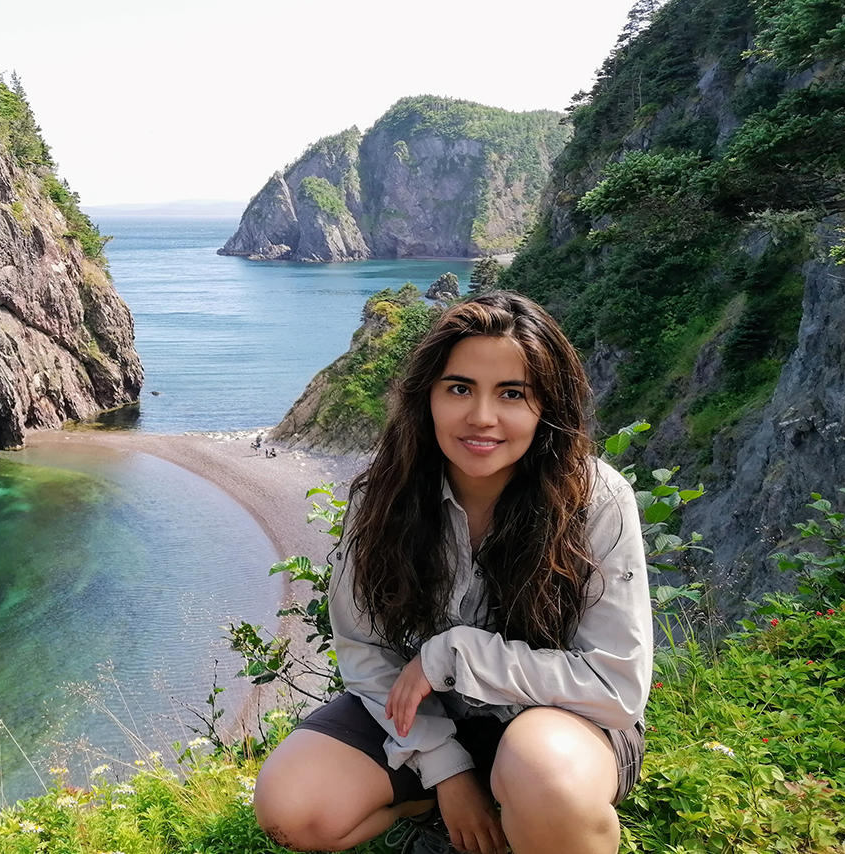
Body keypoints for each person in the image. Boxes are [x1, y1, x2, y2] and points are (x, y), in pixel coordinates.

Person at [253, 292, 651, 854]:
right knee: (291, 808)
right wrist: (446, 769)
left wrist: (453, 654)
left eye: (512, 394)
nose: (482, 417)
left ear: (548, 408)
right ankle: (434, 799)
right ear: (428, 398)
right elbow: (365, 652)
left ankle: (535, 809)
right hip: (432, 713)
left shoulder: (595, 498)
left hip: (560, 725)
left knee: (544, 776)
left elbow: (615, 688)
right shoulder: (384, 496)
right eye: (459, 388)